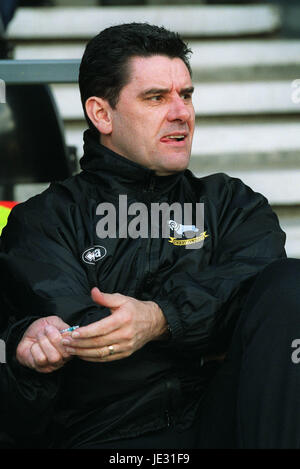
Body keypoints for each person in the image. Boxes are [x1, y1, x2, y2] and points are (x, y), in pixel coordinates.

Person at [0, 22, 298, 449]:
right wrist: (206, 327)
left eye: (186, 95)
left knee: (290, 283)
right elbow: (91, 336)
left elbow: (265, 299)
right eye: (156, 97)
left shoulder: (233, 205)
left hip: (224, 420)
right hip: (108, 437)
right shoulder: (45, 221)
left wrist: (160, 319)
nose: (181, 113)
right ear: (102, 114)